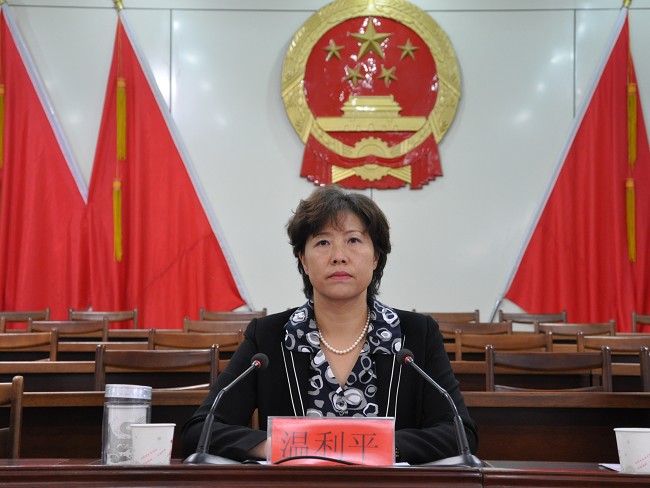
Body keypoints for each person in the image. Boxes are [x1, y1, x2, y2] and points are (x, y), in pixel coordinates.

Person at [181, 185, 478, 464]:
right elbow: (199, 432)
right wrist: (275, 447)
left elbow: (460, 434)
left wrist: (382, 446)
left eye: (353, 240)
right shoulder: (270, 337)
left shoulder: (416, 334)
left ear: (376, 256)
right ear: (303, 259)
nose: (338, 257)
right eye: (323, 242)